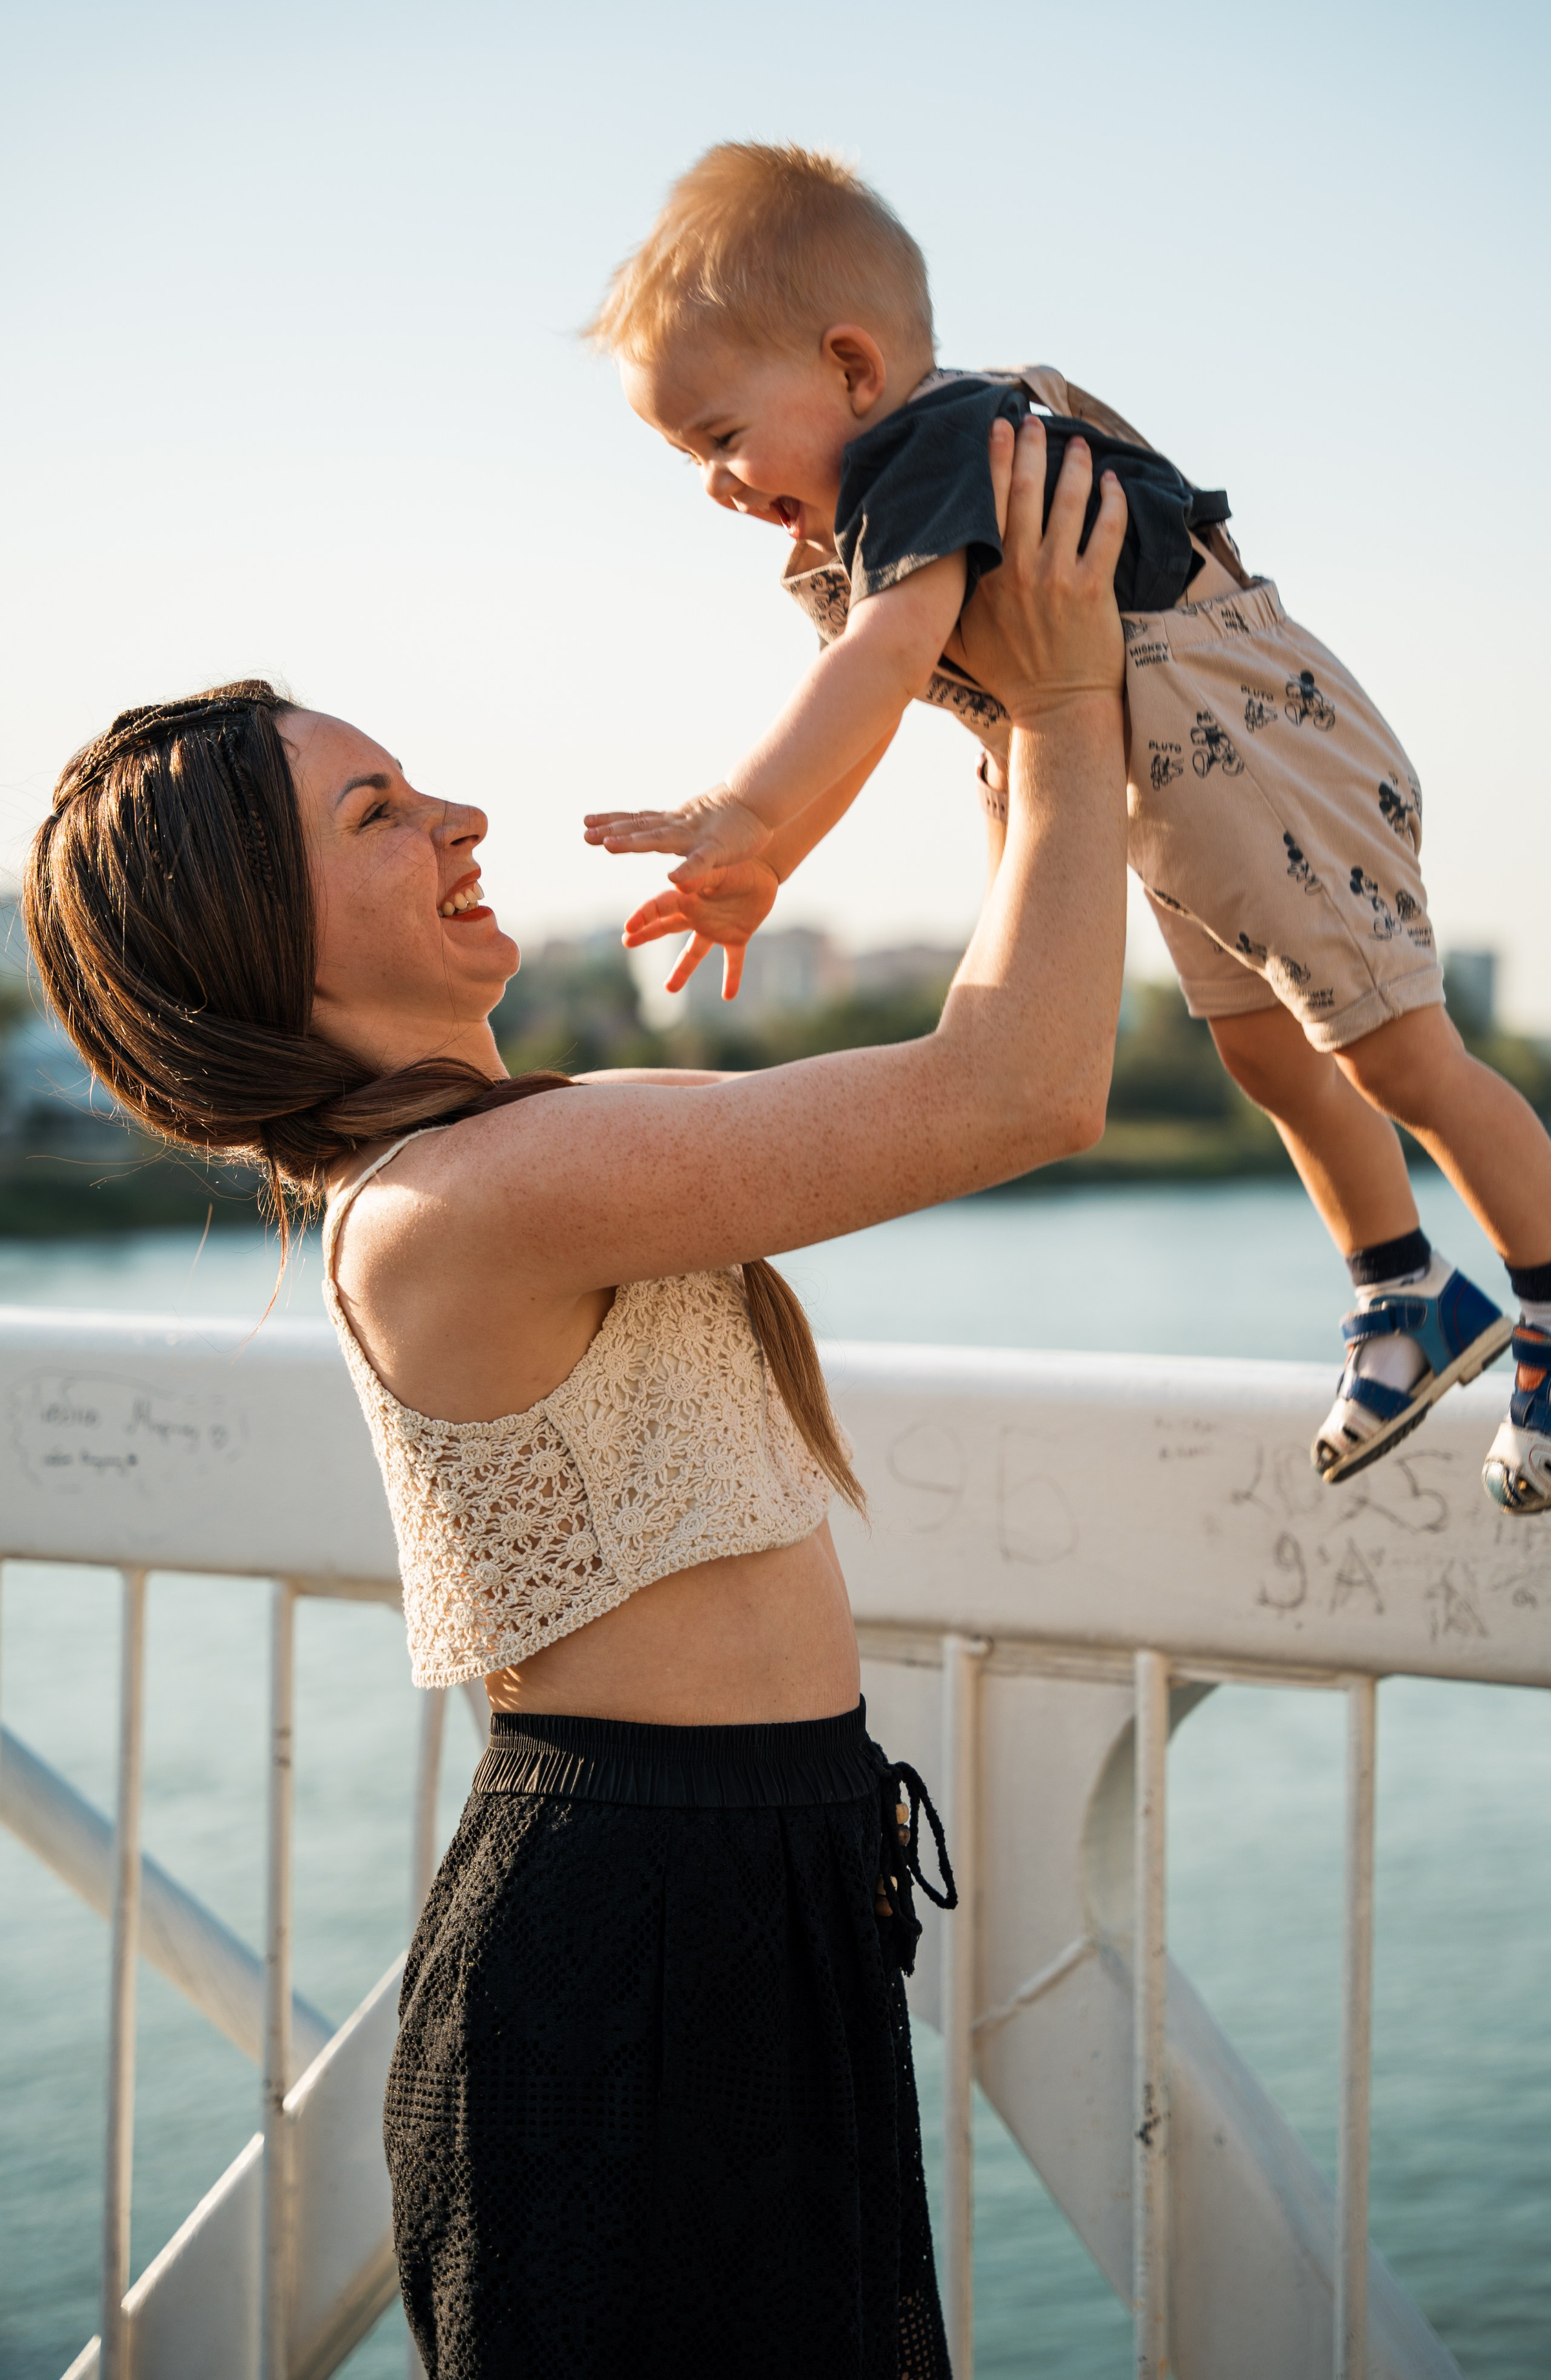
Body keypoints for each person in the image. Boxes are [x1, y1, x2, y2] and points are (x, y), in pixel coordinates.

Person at [23, 419, 1127, 2379]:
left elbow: (965, 1046)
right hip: (642, 1938)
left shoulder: (526, 1150)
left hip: (753, 1891)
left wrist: (985, 707)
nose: (456, 815)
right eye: (375, 814)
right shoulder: (474, 1200)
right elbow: (1022, 1089)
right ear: (255, 944)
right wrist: (1069, 704)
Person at [582, 140, 1551, 1517]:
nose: (715, 485)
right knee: (1270, 1057)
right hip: (1169, 787)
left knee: (1395, 1050)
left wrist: (741, 810)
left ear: (852, 369)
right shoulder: (900, 494)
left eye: (719, 437)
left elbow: (874, 667)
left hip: (1257, 746)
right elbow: (899, 679)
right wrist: (769, 863)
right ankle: (1405, 1290)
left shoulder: (927, 449)